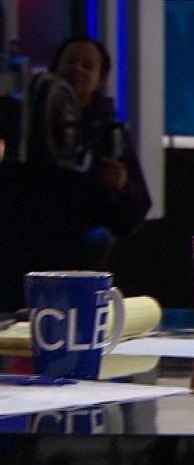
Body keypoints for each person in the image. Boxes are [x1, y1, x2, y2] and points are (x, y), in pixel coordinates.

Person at [0, 35, 151, 310]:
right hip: (18, 244)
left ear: (100, 78)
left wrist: (122, 185)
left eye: (87, 65)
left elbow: (133, 214)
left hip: (73, 256)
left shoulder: (108, 134)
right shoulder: (21, 117)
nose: (77, 69)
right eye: (70, 61)